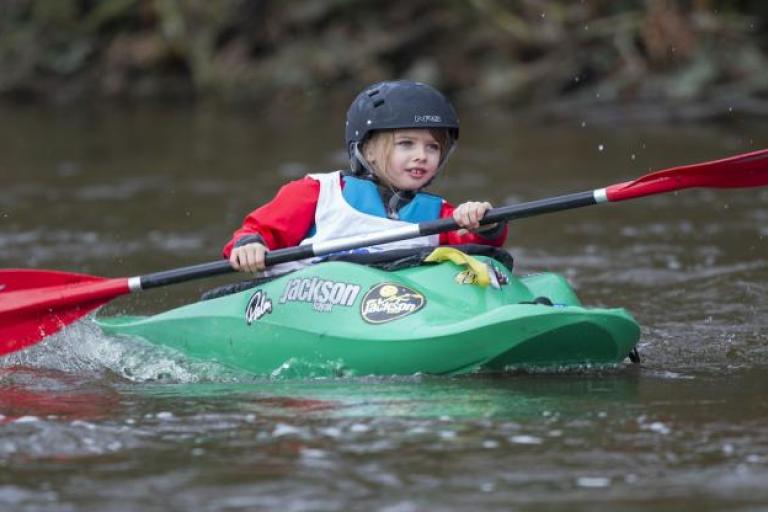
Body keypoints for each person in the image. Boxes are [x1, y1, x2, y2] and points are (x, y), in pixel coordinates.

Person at [224, 80, 508, 274]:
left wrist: (482, 220)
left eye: (432, 147)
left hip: (394, 313)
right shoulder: (318, 193)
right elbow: (256, 231)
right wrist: (249, 245)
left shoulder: (439, 213)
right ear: (367, 150)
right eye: (406, 144)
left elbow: (480, 244)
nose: (422, 155)